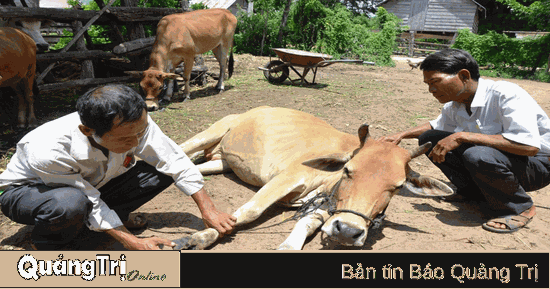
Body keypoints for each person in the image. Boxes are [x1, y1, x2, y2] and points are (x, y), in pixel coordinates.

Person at [0, 84, 236, 250]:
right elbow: (88, 198)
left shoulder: (133, 120)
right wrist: (132, 242)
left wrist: (209, 209)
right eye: (124, 139)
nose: (135, 143)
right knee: (70, 203)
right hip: (29, 193)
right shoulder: (48, 149)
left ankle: (109, 221)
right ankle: (46, 242)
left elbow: (173, 159)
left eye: (140, 133)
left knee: (161, 171)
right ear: (87, 131)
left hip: (90, 186)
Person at [378, 48, 550, 233]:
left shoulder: (506, 94)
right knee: (429, 139)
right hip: (501, 161)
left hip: (537, 166)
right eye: (428, 84)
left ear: (464, 75)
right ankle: (473, 192)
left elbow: (529, 147)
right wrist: (401, 135)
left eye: (435, 81)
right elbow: (434, 127)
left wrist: (462, 136)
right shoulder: (456, 104)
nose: (431, 90)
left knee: (477, 153)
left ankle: (520, 207)